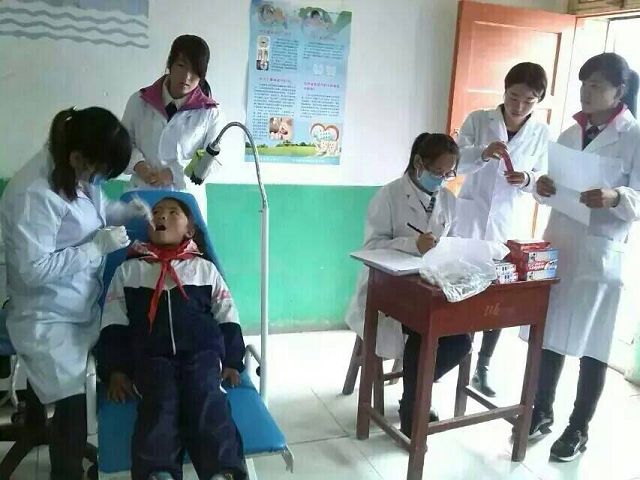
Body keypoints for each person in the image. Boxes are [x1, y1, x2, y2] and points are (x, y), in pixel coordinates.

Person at [0, 106, 151, 480]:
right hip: (44, 312)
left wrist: (123, 212)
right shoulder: (34, 193)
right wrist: (95, 248)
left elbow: (92, 210)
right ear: (78, 158)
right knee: (73, 402)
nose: (97, 180)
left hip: (79, 300)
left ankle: (43, 419)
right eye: (98, 172)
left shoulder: (77, 170)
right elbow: (33, 271)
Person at [531, 52, 640, 461]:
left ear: (619, 91)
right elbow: (553, 187)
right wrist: (542, 188)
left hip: (600, 254)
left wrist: (616, 197)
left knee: (593, 346)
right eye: (584, 84)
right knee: (550, 336)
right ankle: (541, 410)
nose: (586, 92)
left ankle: (578, 428)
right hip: (560, 244)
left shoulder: (634, 136)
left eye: (596, 85)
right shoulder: (568, 133)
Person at [99, 197, 247, 480]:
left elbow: (227, 314)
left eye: (172, 212)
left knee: (207, 398)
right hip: (151, 357)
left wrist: (232, 360)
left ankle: (222, 470)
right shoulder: (129, 271)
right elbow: (114, 322)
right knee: (159, 403)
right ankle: (158, 472)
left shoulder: (204, 269)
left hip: (202, 354)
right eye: (155, 212)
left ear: (190, 230)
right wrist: (116, 370)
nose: (161, 216)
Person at [344, 133, 472, 437]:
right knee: (421, 333)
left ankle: (414, 395)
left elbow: (453, 241)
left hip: (431, 287)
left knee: (460, 341)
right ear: (418, 163)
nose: (442, 179)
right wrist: (412, 244)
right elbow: (371, 247)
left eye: (449, 174)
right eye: (437, 172)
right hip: (387, 291)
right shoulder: (388, 196)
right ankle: (414, 407)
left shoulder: (448, 200)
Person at [455, 62, 550, 397]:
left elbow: (545, 182)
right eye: (513, 96)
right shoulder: (478, 120)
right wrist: (482, 153)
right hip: (470, 218)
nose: (519, 105)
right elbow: (455, 162)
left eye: (529, 100)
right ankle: (454, 355)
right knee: (462, 291)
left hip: (507, 222)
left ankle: (483, 365)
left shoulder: (542, 133)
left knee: (498, 294)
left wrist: (527, 179)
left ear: (538, 100)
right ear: (504, 90)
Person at [122, 34, 224, 220]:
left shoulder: (210, 113)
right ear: (170, 64)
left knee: (183, 239)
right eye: (181, 66)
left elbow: (213, 161)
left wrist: (174, 173)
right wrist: (139, 165)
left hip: (184, 202)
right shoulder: (139, 101)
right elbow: (123, 143)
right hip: (142, 194)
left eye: (195, 71)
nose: (187, 77)